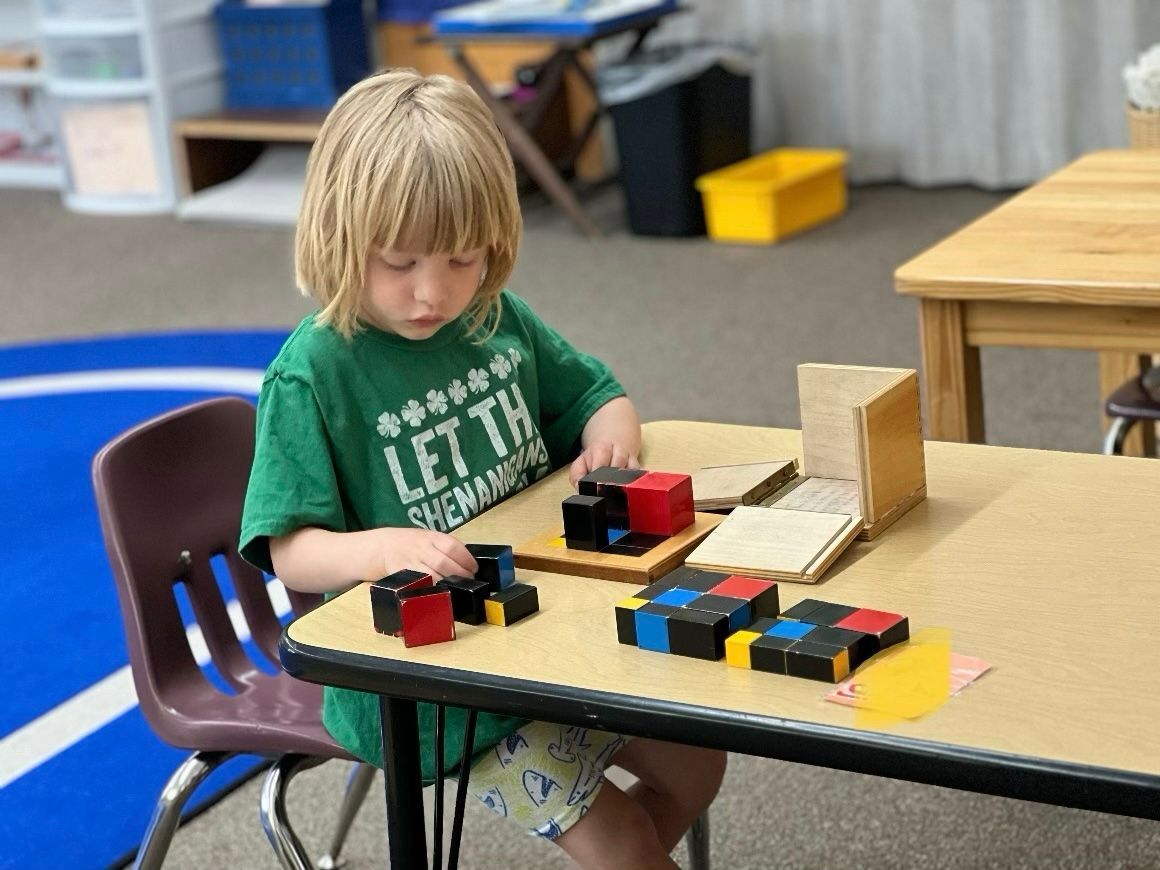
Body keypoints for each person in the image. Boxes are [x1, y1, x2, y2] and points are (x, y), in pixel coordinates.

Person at [239, 68, 725, 868]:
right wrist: (380, 549)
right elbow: (289, 549)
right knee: (624, 841)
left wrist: (612, 439)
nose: (434, 292)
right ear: (337, 233)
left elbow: (602, 397)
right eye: (399, 262)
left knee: (701, 766)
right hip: (435, 692)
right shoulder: (314, 374)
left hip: (546, 640)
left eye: (463, 258)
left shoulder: (494, 317)